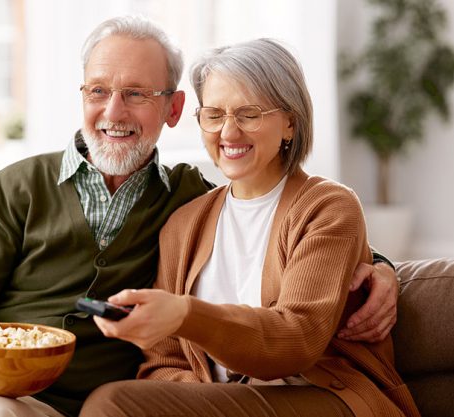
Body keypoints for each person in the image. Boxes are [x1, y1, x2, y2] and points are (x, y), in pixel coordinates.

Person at [0, 17, 399, 417]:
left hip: (55, 403)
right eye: (99, 91)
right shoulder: (32, 188)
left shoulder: (182, 197)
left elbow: (311, 254)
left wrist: (380, 268)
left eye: (136, 94)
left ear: (171, 110)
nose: (113, 112)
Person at [83, 39, 420, 417]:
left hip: (323, 397)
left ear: (290, 122)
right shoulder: (184, 224)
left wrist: (185, 314)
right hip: (230, 405)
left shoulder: (327, 205)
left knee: (111, 404)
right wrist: (198, 400)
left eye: (249, 114)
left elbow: (297, 338)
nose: (228, 132)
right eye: (214, 114)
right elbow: (164, 363)